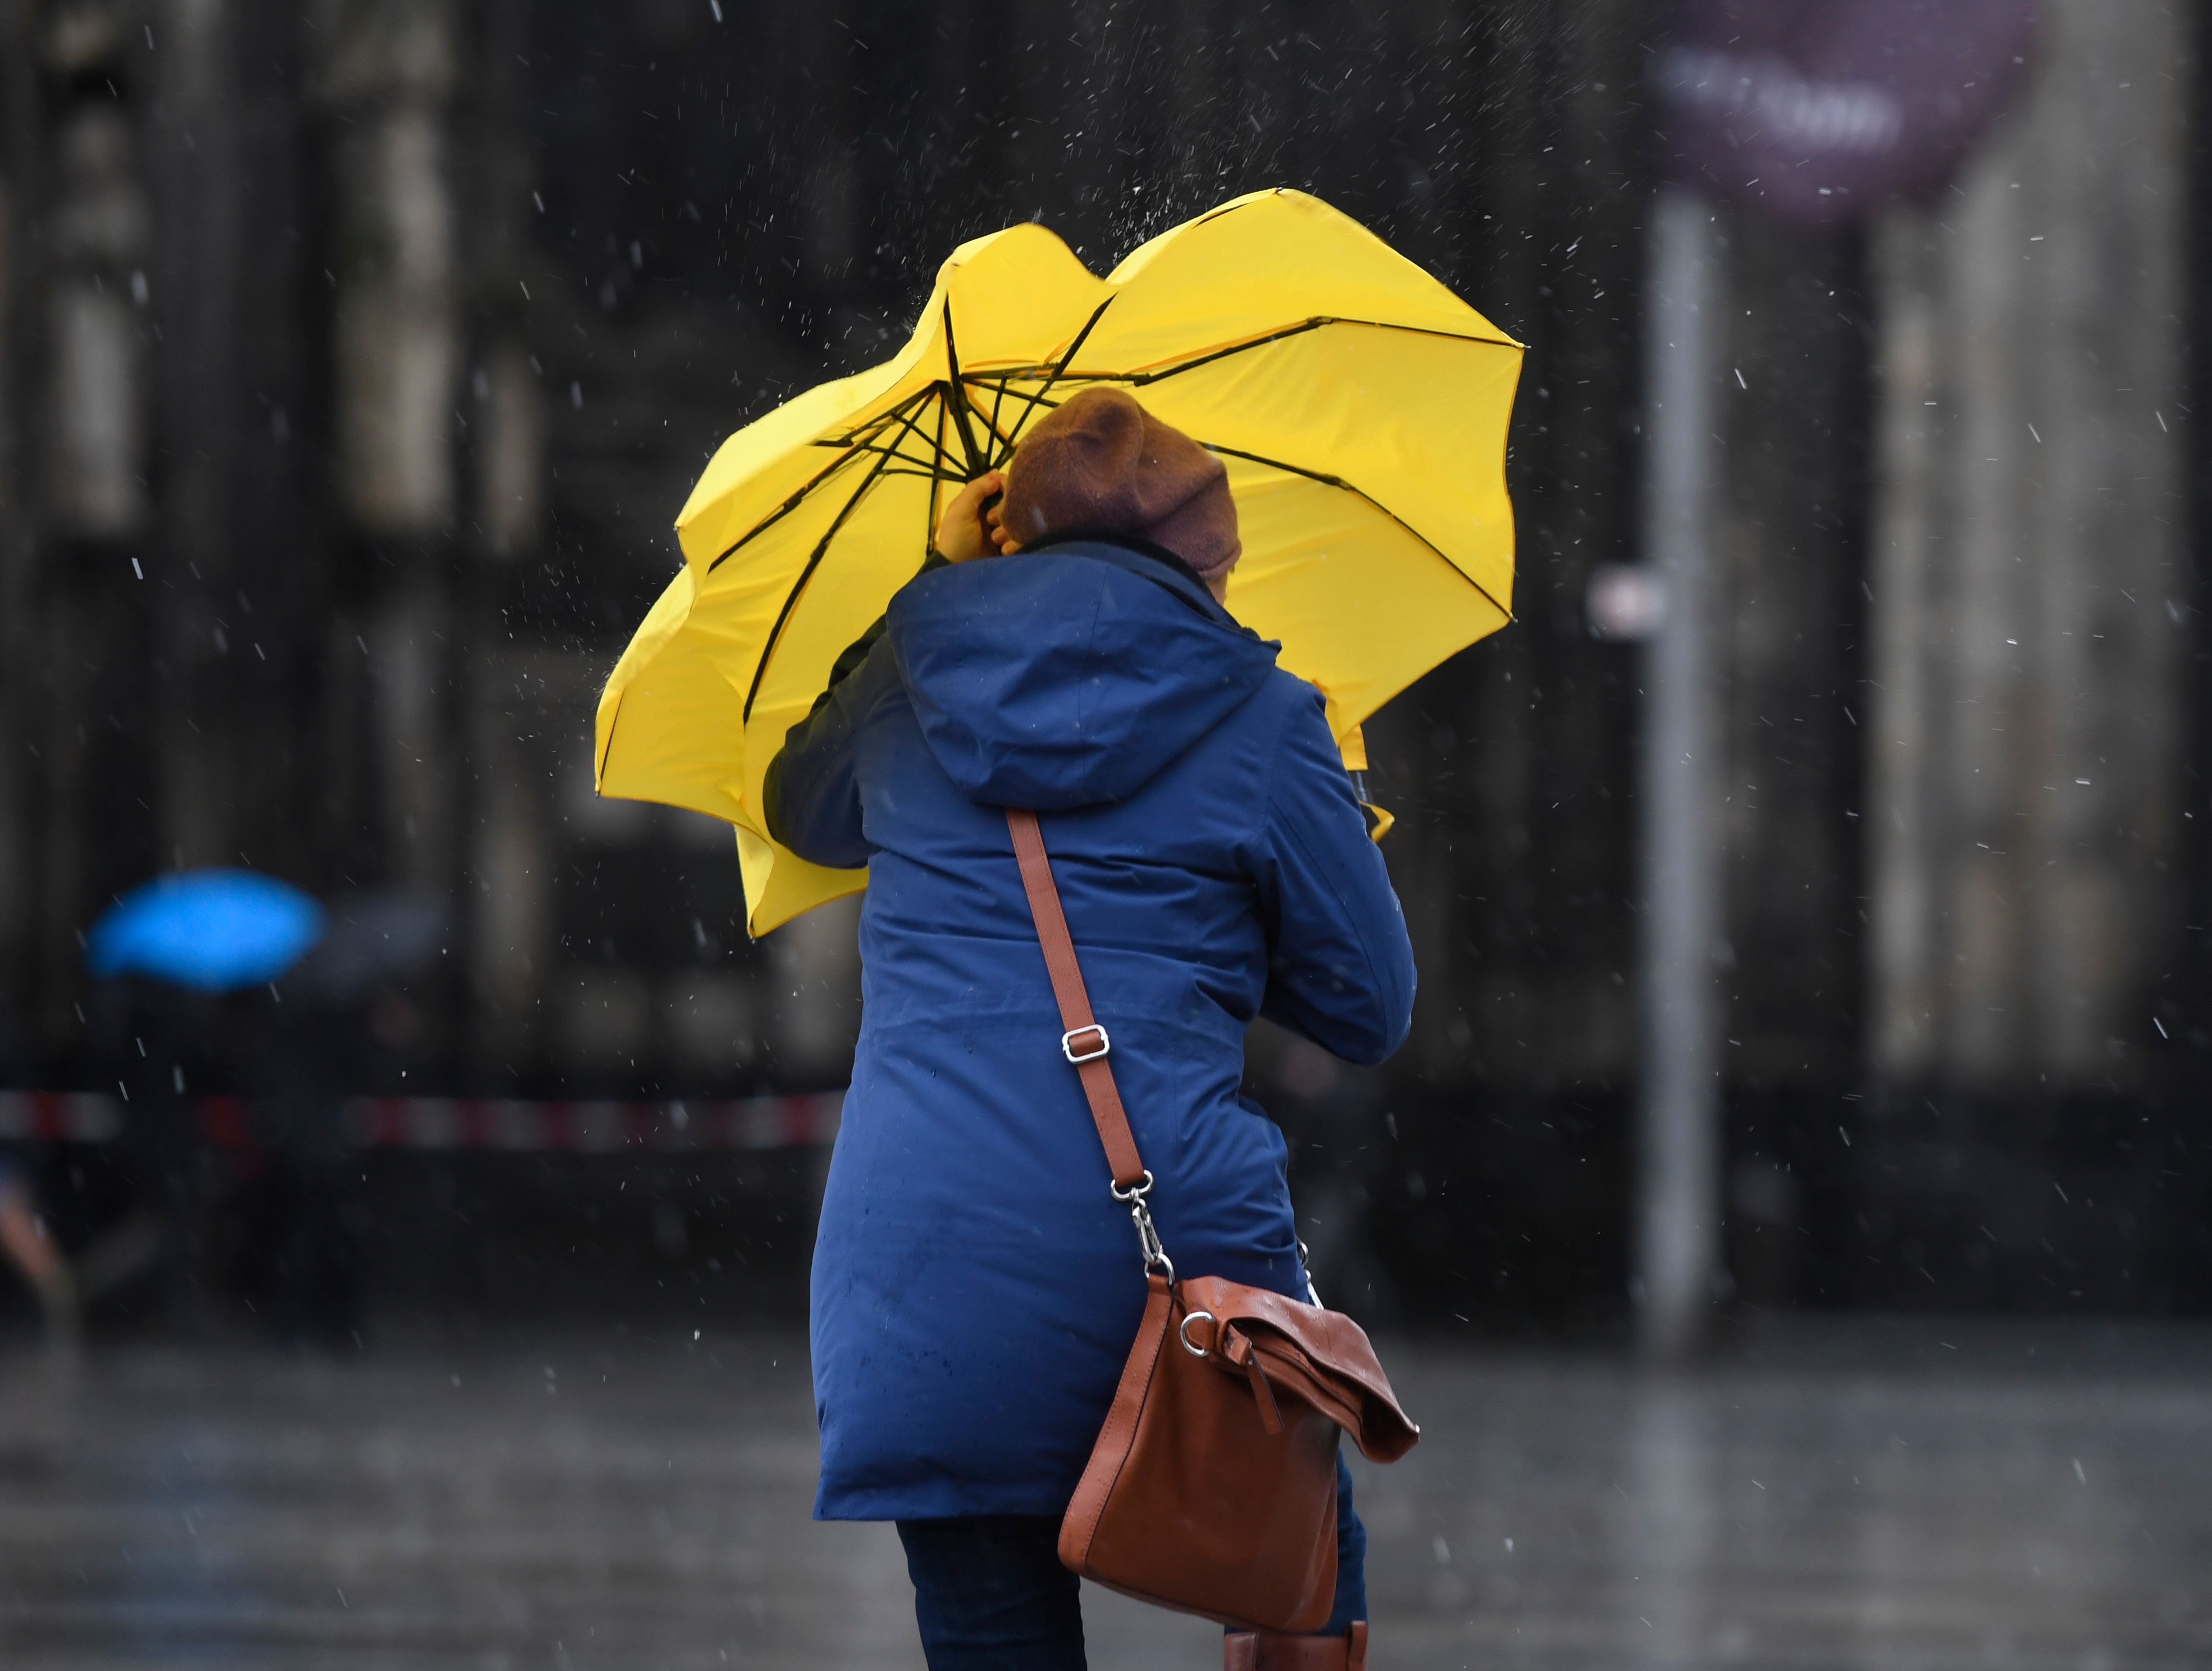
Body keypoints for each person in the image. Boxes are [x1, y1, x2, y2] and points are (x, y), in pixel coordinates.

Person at [765, 387, 1416, 1671]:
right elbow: (1369, 1005)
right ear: (1206, 553)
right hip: (1181, 1259)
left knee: (991, 1630)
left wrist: (928, 595)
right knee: (1298, 1586)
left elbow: (801, 805)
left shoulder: (906, 671)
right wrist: (1314, 820)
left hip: (926, 1265)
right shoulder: (1268, 716)